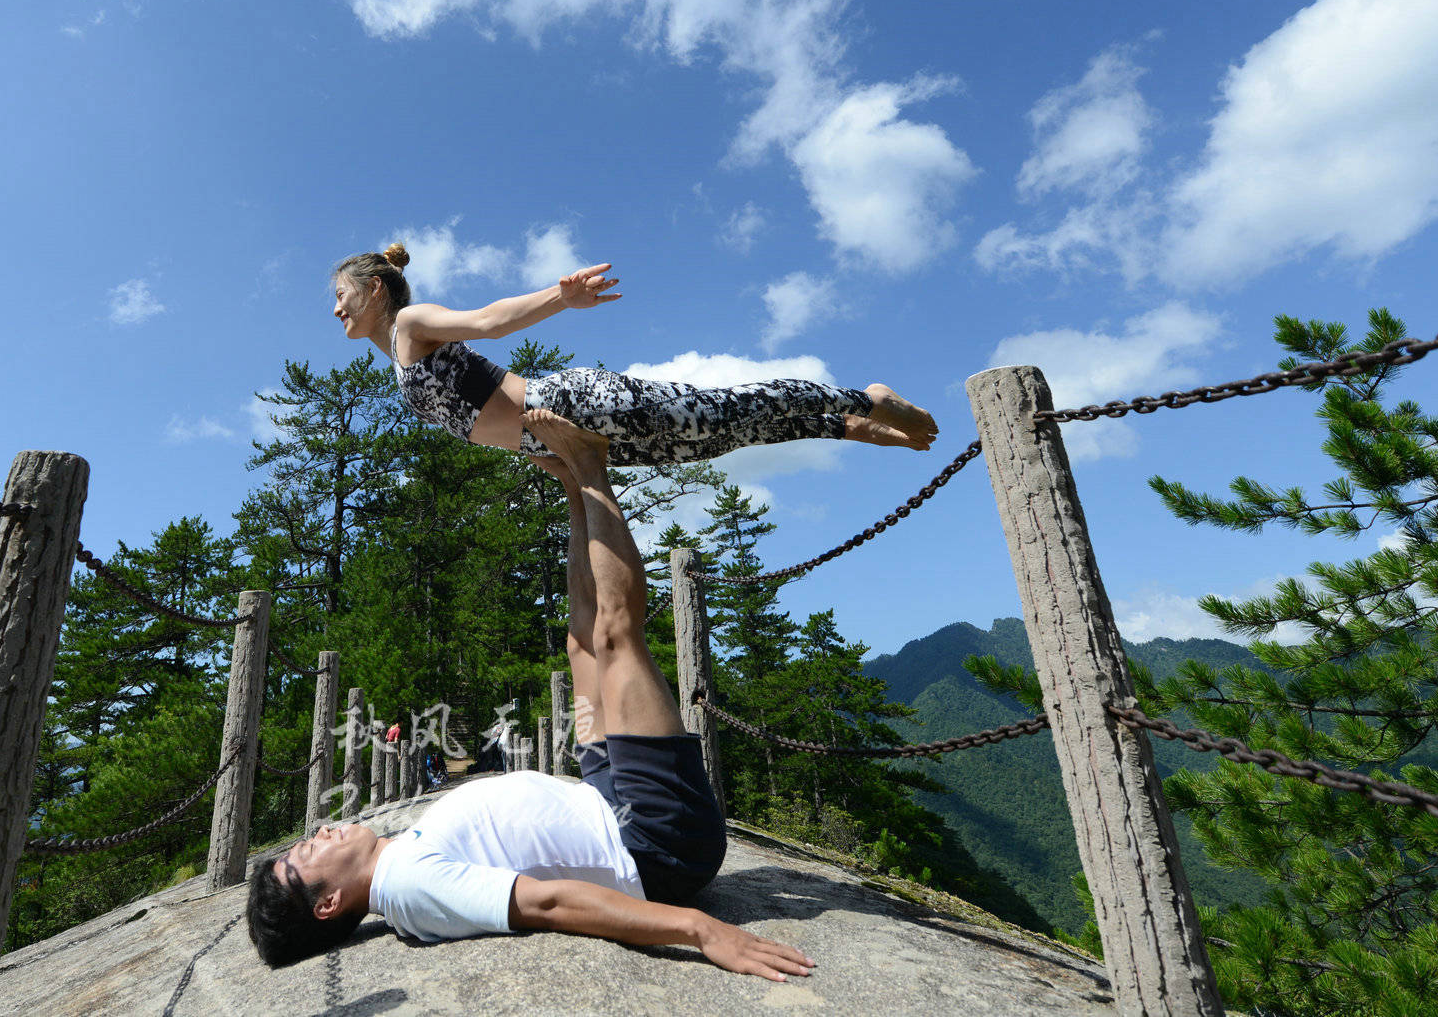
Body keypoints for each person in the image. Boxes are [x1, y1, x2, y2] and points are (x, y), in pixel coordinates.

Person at [245, 408, 816, 983]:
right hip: (654, 839)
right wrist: (700, 929)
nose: (318, 833)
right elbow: (548, 903)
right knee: (617, 636)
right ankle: (590, 463)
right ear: (327, 905)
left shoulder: (399, 868)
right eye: (305, 856)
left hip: (607, 802)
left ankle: (573, 485)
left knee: (581, 646)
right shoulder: (412, 889)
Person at [331, 244, 936, 467]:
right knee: (706, 443)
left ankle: (866, 397)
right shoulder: (397, 360)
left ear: (374, 289)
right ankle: (842, 426)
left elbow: (490, 321)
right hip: (562, 440)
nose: (337, 311)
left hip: (571, 403)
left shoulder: (411, 324)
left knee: (717, 410)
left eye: (341, 297)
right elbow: (485, 427)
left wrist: (560, 299)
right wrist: (554, 460)